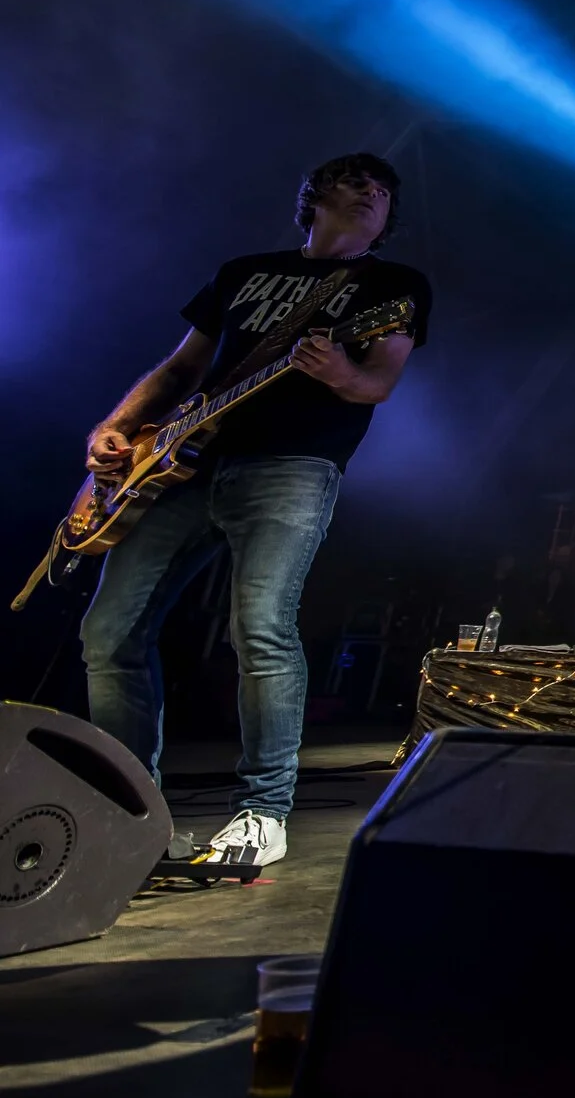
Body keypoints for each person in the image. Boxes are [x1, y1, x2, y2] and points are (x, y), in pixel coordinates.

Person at [79, 154, 431, 868]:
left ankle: (262, 814)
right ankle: (132, 814)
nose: (372, 194)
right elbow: (182, 369)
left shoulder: (393, 288)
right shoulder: (244, 272)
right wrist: (117, 427)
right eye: (357, 182)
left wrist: (342, 373)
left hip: (291, 468)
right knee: (108, 633)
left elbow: (378, 382)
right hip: (180, 465)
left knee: (261, 627)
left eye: (385, 192)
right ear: (314, 196)